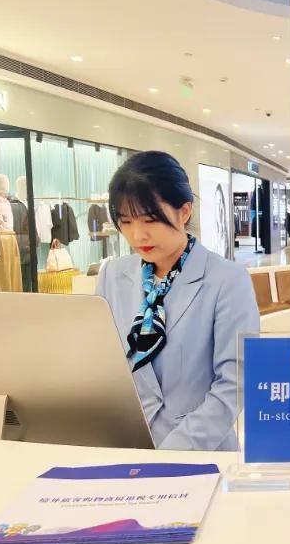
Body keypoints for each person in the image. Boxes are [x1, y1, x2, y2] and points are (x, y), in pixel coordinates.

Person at [97, 151, 259, 451]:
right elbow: (103, 366)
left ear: (184, 212)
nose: (137, 235)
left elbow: (235, 383)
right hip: (126, 446)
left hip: (198, 451)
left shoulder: (227, 279)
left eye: (150, 219)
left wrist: (172, 453)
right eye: (126, 221)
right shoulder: (112, 275)